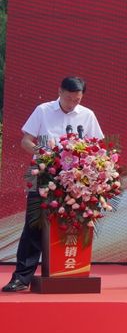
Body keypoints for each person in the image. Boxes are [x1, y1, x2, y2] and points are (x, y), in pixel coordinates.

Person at [3, 77, 104, 293]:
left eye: (77, 100)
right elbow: (26, 141)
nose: (72, 104)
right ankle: (21, 278)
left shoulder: (87, 115)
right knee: (34, 225)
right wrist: (45, 154)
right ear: (59, 92)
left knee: (74, 222)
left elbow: (97, 146)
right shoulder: (43, 110)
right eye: (69, 99)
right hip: (43, 172)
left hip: (77, 177)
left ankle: (70, 271)